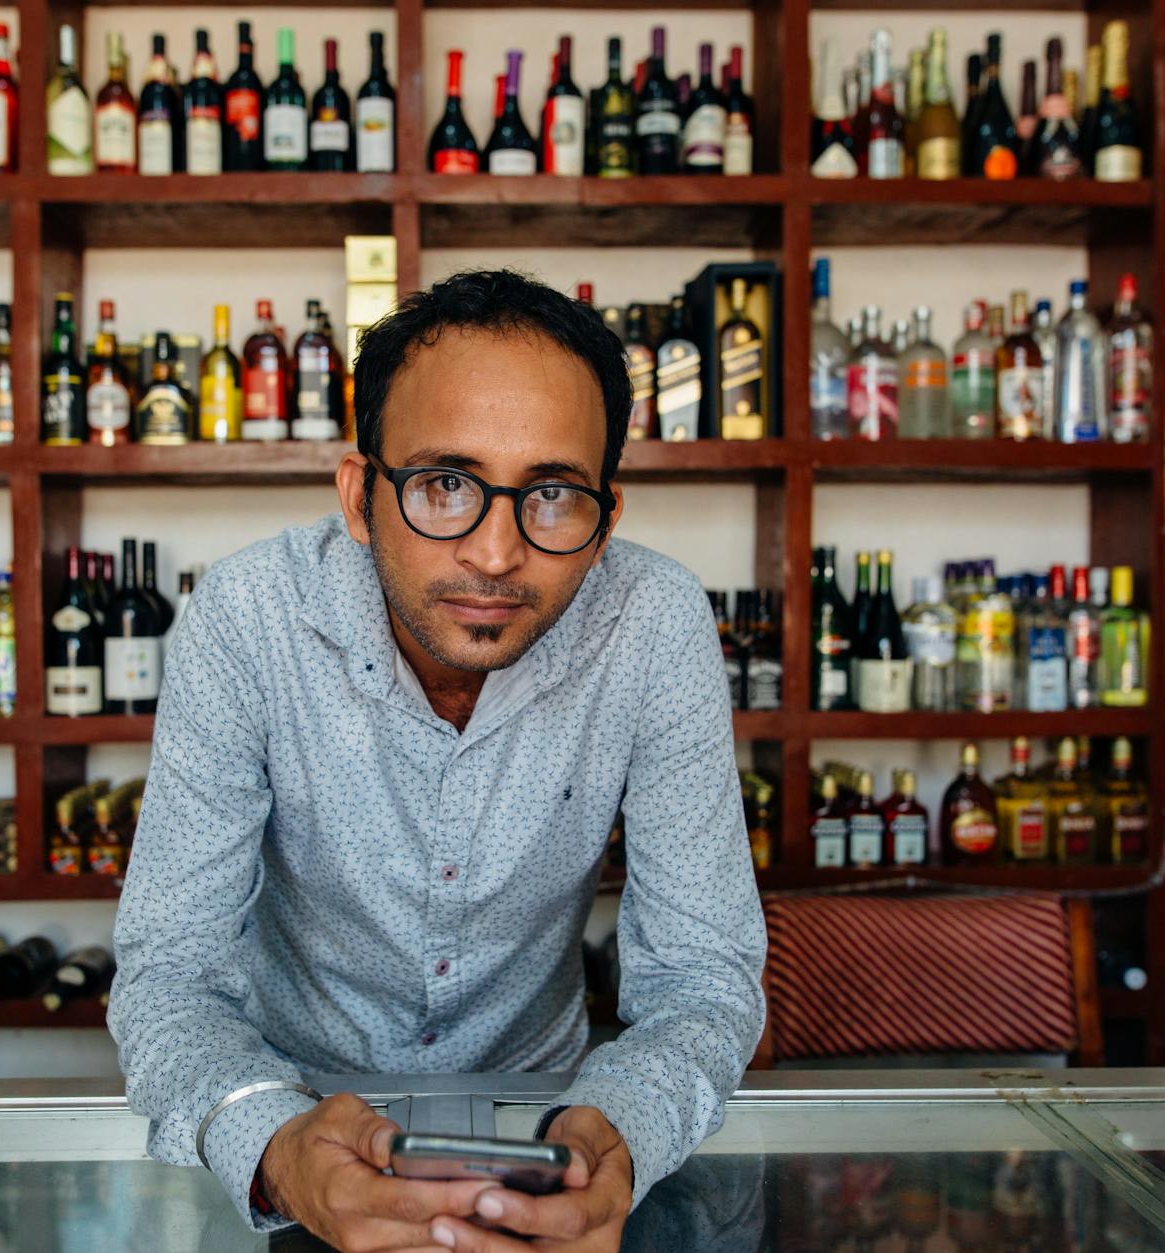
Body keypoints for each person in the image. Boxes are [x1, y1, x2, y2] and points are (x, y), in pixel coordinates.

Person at [109, 270, 766, 1251]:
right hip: (295, 1115)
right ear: (359, 495)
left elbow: (704, 976)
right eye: (444, 484)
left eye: (550, 494)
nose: (496, 552)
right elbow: (167, 969)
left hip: (543, 1119)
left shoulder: (652, 621)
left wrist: (616, 1125)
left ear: (605, 518)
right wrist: (272, 1139)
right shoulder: (246, 620)